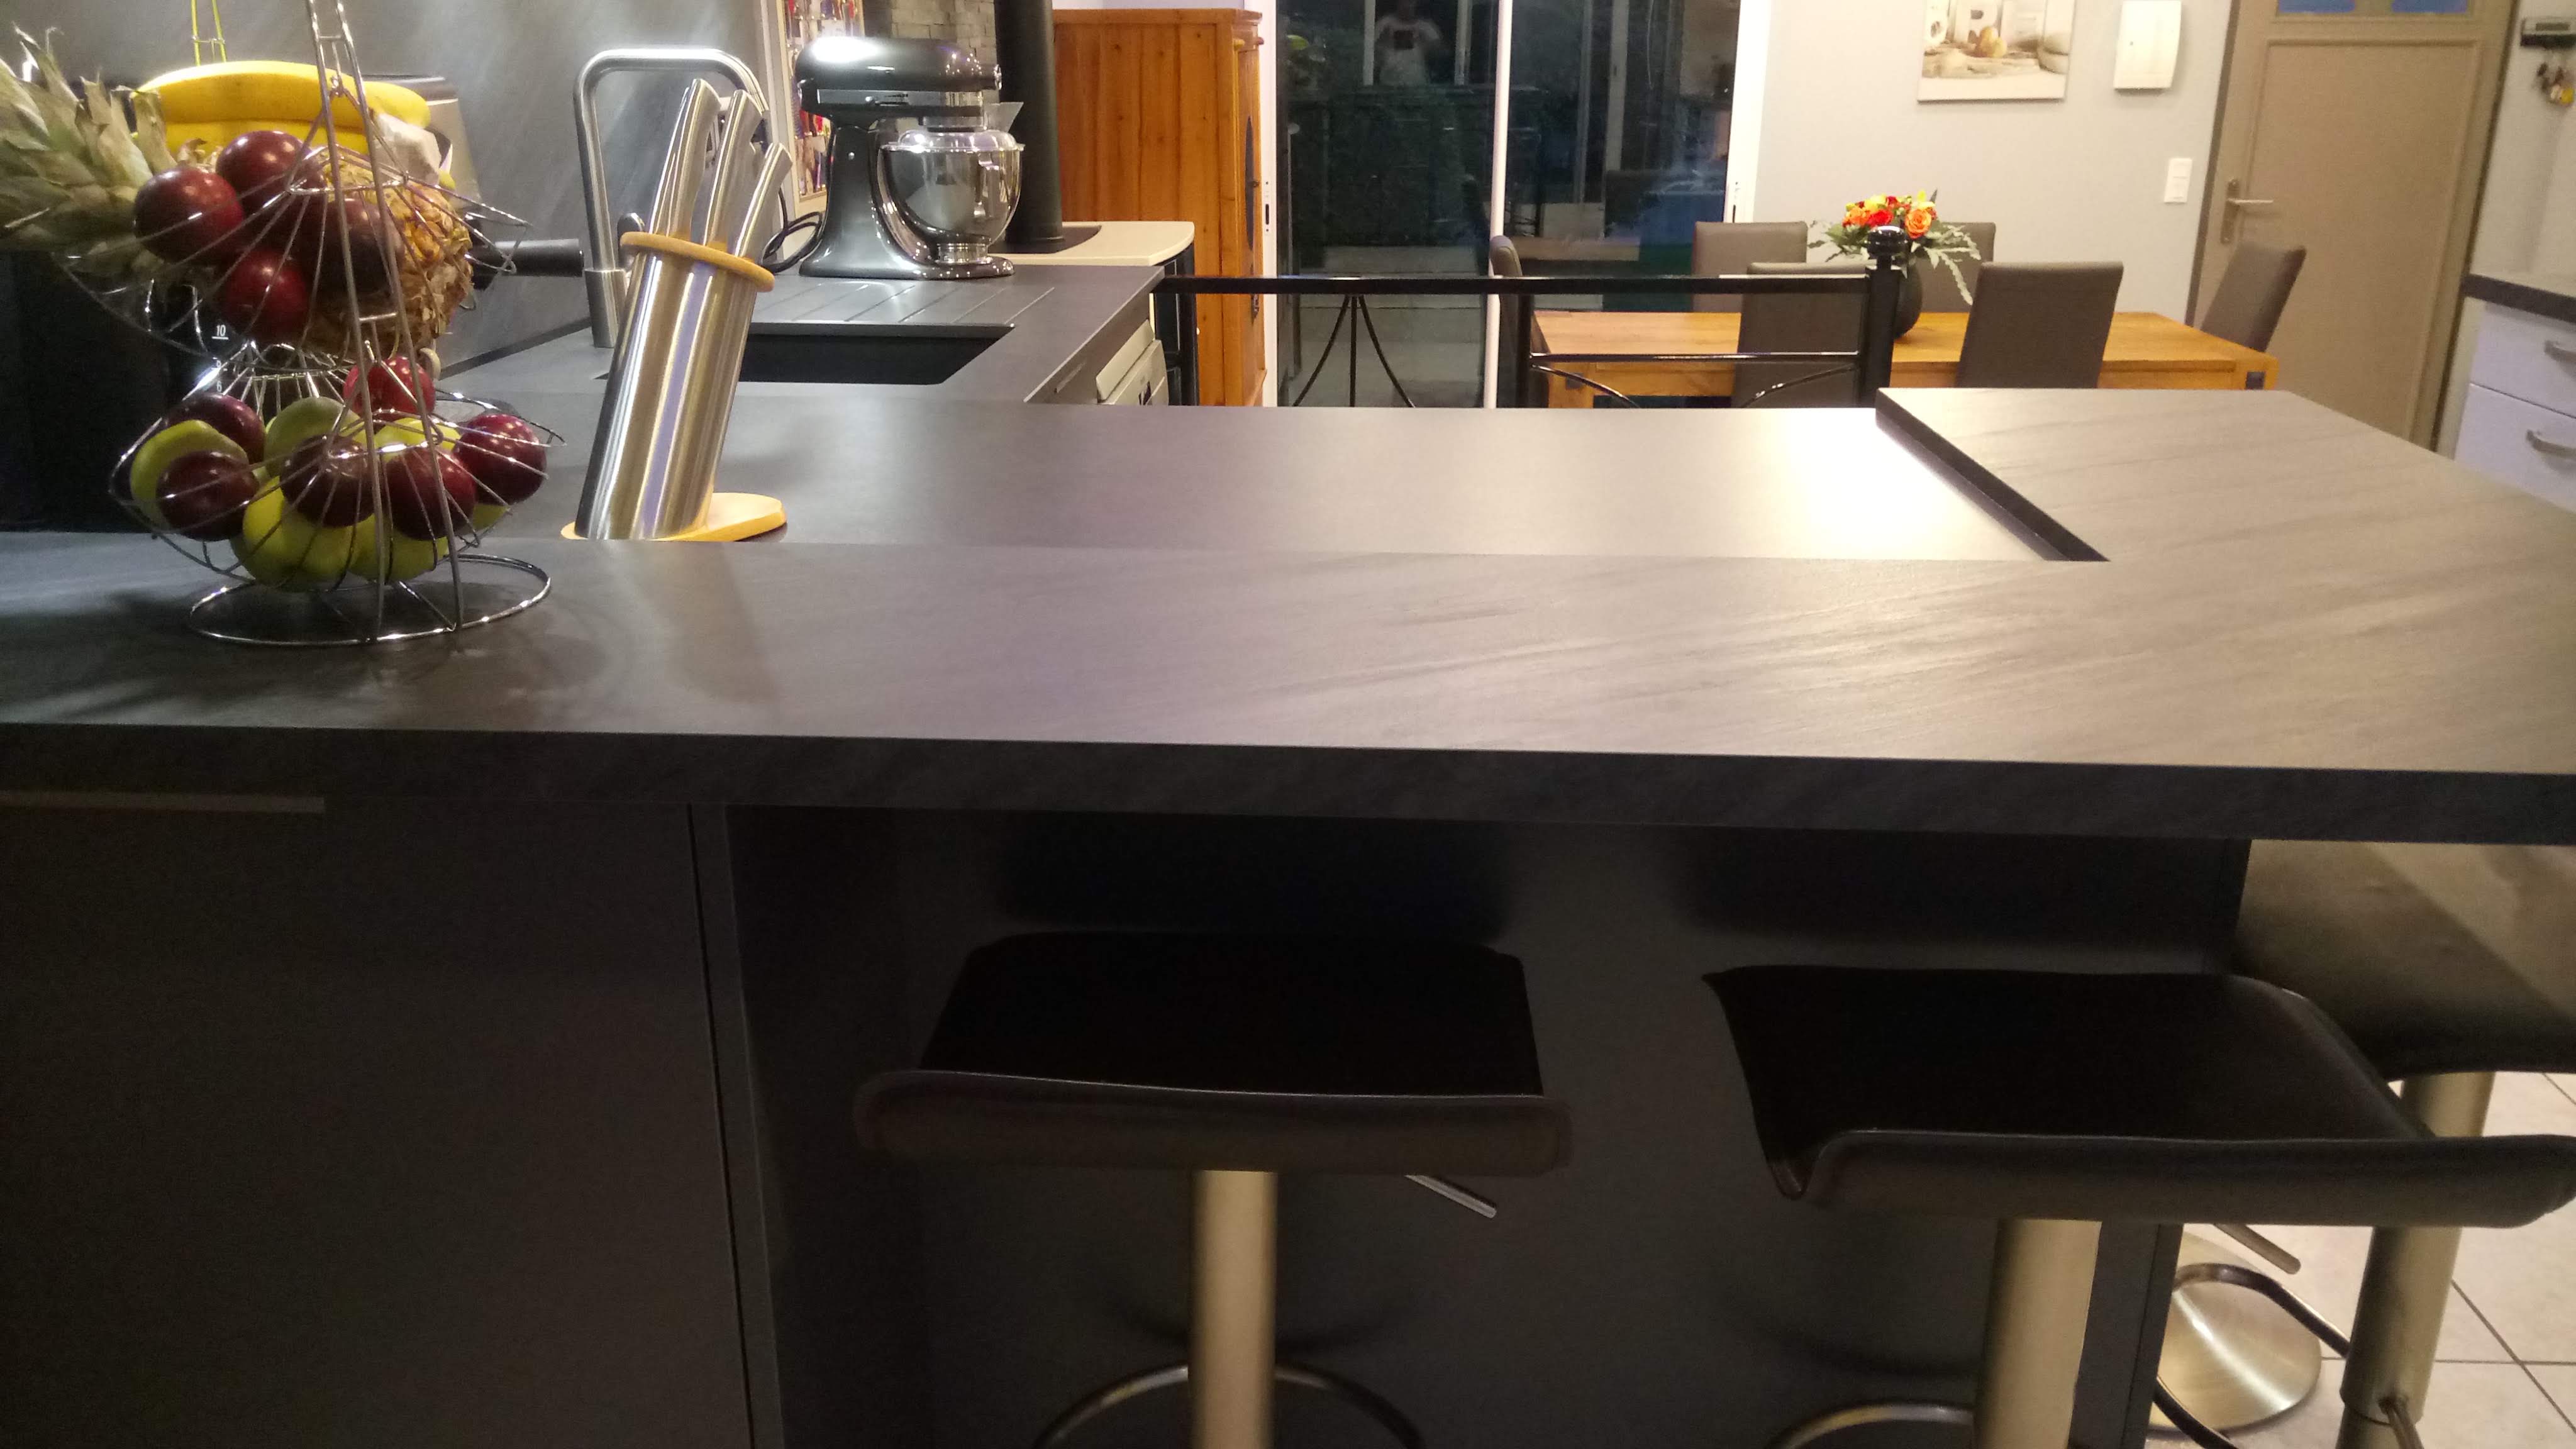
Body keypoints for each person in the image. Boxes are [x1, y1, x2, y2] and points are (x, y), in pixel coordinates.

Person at [1373, 0, 1445, 86]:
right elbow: (1369, 57)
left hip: (1418, 85)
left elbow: (1443, 55)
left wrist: (1428, 46)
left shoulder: (1426, 27)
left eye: (1410, 1)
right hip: (1388, 85)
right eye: (1403, 1)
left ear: (1416, 3)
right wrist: (1382, 43)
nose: (1406, 5)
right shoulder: (1383, 24)